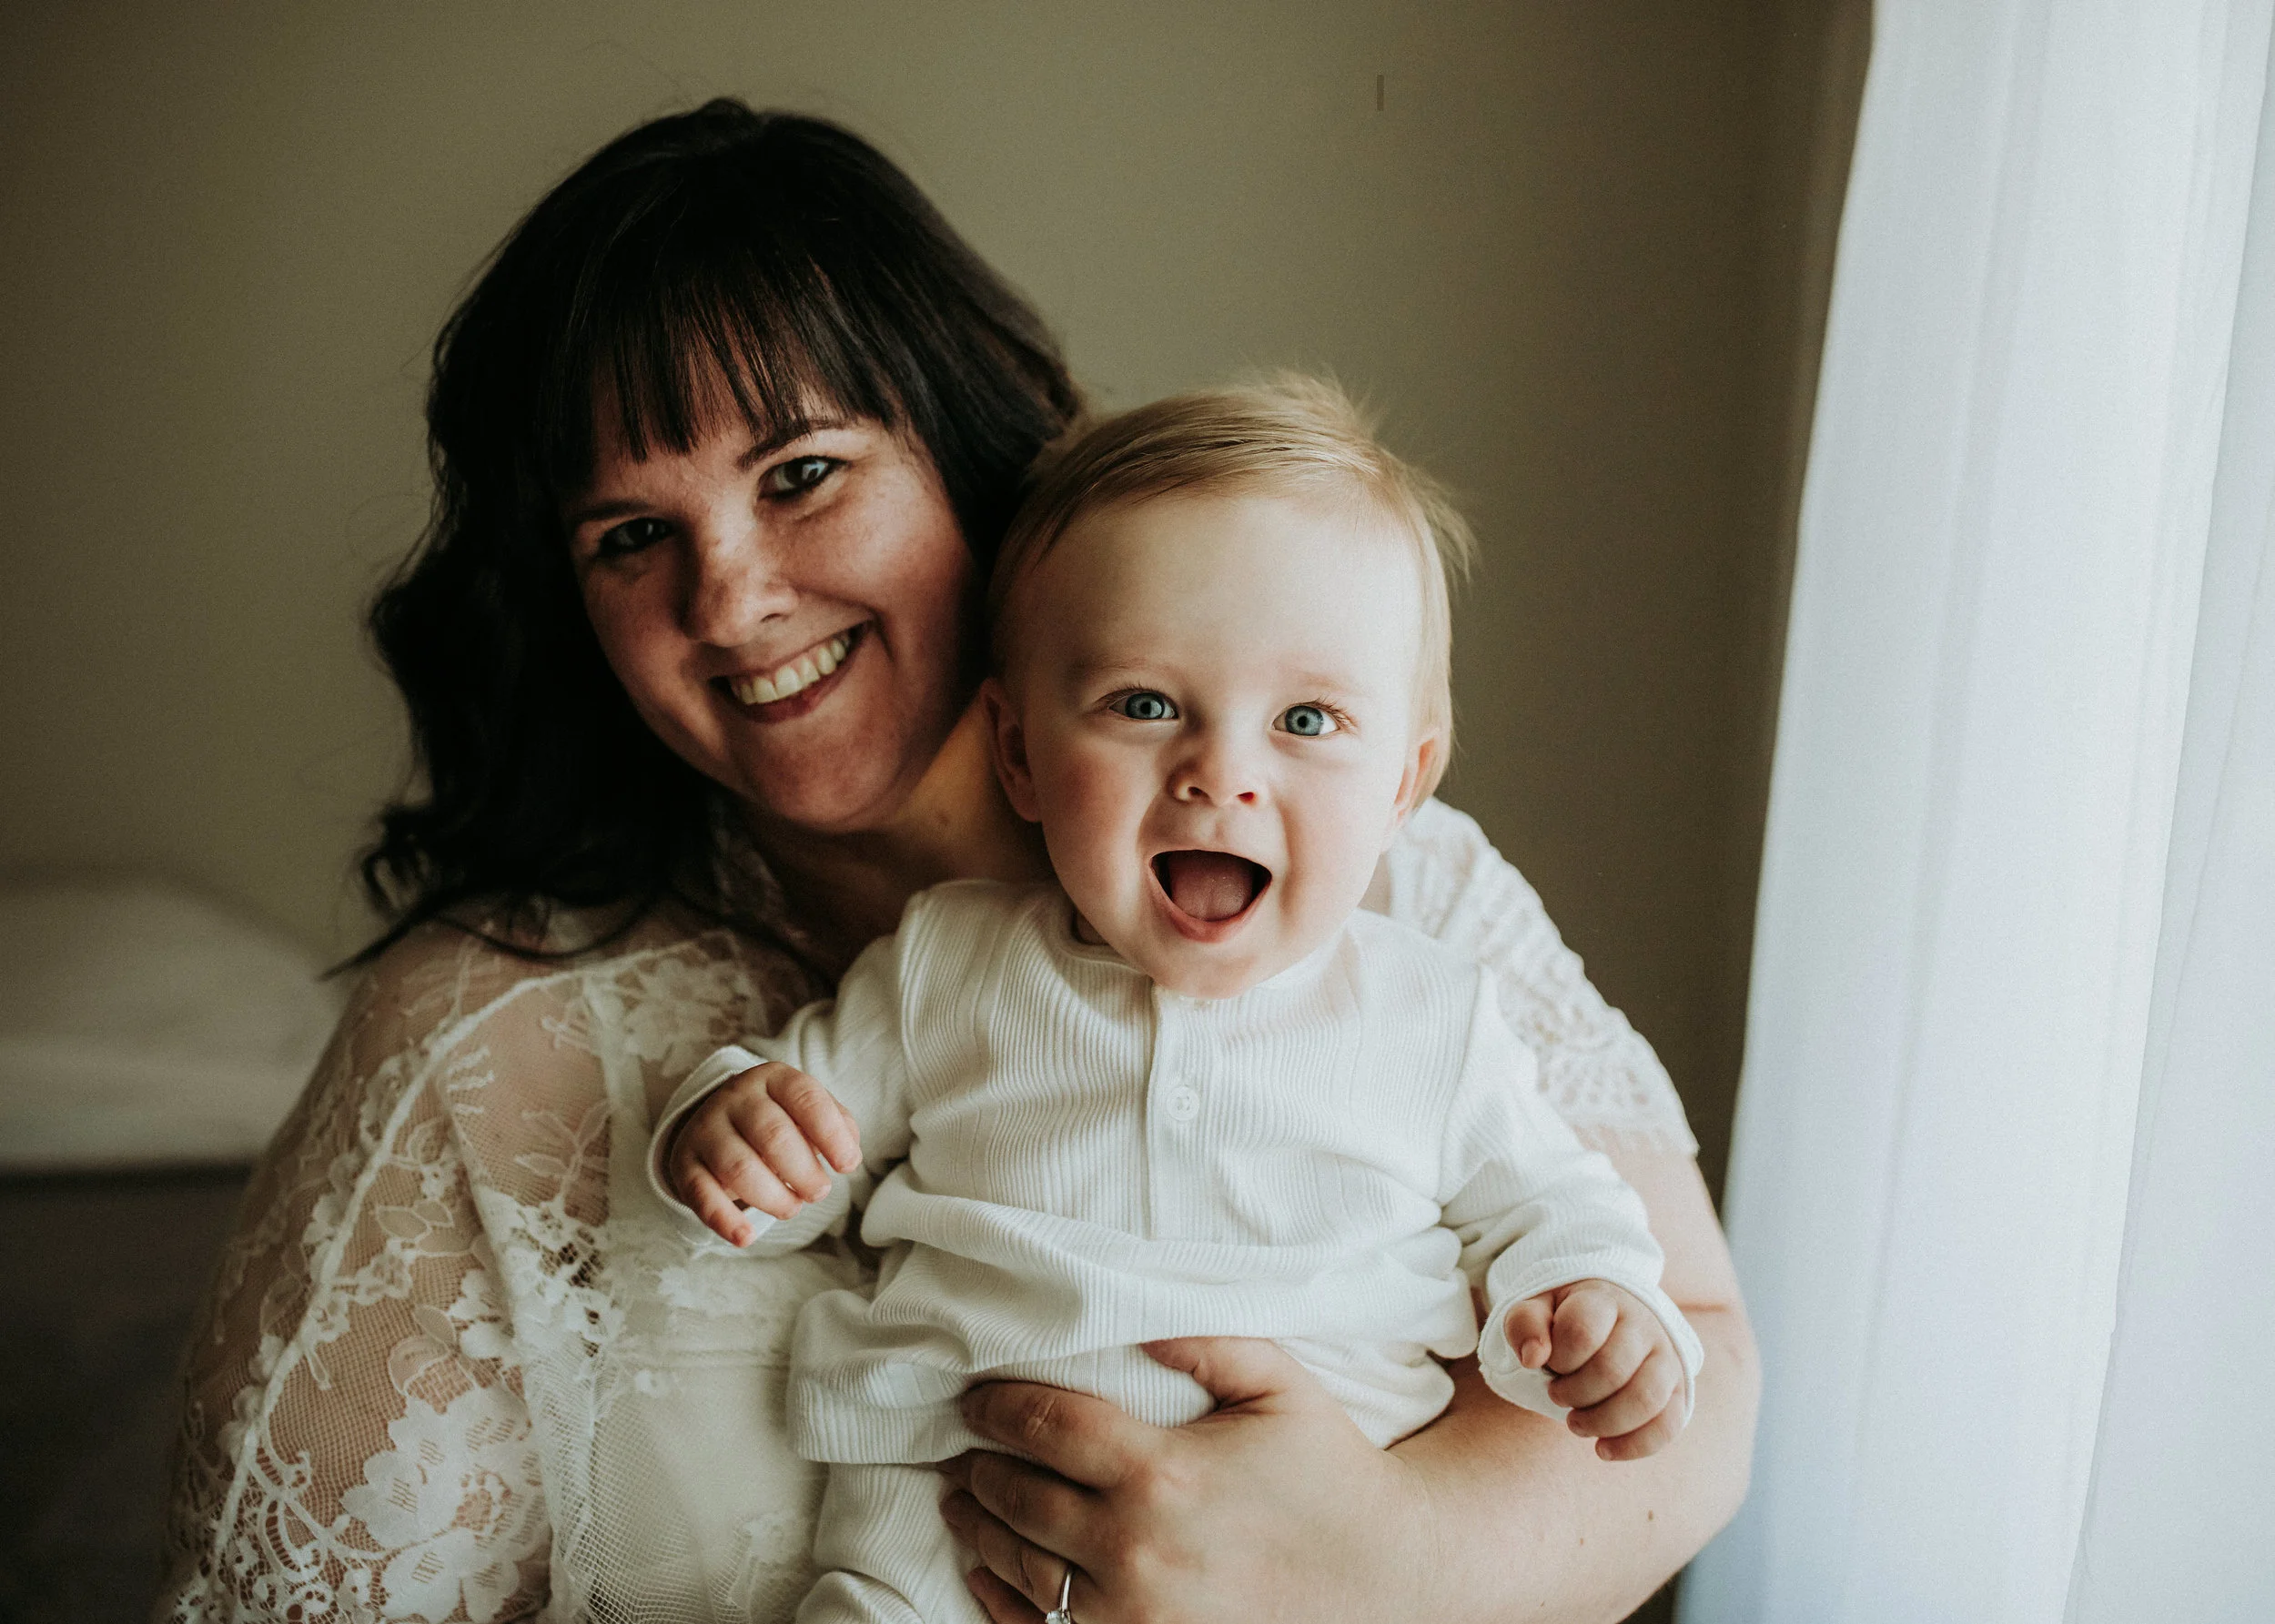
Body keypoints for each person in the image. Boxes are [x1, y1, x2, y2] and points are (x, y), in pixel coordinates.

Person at [157, 100, 1756, 1624]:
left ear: (968, 448)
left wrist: (1387, 1560)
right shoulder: (488, 1042)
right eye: (630, 537)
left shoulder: (1393, 896)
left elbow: (1693, 1363)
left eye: (801, 475)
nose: (727, 600)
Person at [653, 378, 1707, 1624]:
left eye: (1308, 720)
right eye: (1145, 706)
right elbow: (793, 1156)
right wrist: (729, 1128)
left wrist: (1594, 1308)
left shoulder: (1432, 1013)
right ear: (1020, 754)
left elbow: (1555, 1202)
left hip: (1305, 1553)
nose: (1223, 774)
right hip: (942, 1527)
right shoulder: (951, 962)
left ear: (1403, 787)